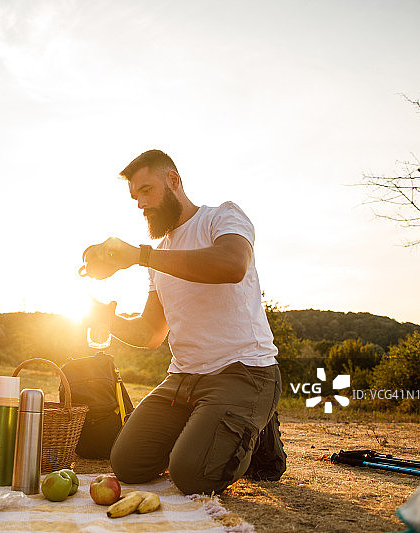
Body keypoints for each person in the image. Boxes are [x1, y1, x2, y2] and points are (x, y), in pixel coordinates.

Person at [81, 149, 286, 495]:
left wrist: (142, 255)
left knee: (191, 475)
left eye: (147, 190)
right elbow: (150, 334)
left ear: (173, 181)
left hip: (244, 371)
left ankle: (257, 429)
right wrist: (109, 320)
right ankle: (212, 426)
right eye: (135, 197)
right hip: (183, 380)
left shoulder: (223, 217)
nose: (140, 204)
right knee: (128, 464)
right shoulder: (158, 255)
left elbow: (231, 265)